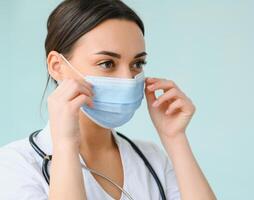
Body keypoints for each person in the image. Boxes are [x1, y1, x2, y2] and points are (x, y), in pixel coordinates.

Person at [0, 0, 216, 199]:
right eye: (107, 63)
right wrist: (65, 145)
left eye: (137, 64)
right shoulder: (14, 165)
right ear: (58, 66)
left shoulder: (152, 158)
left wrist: (174, 138)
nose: (128, 78)